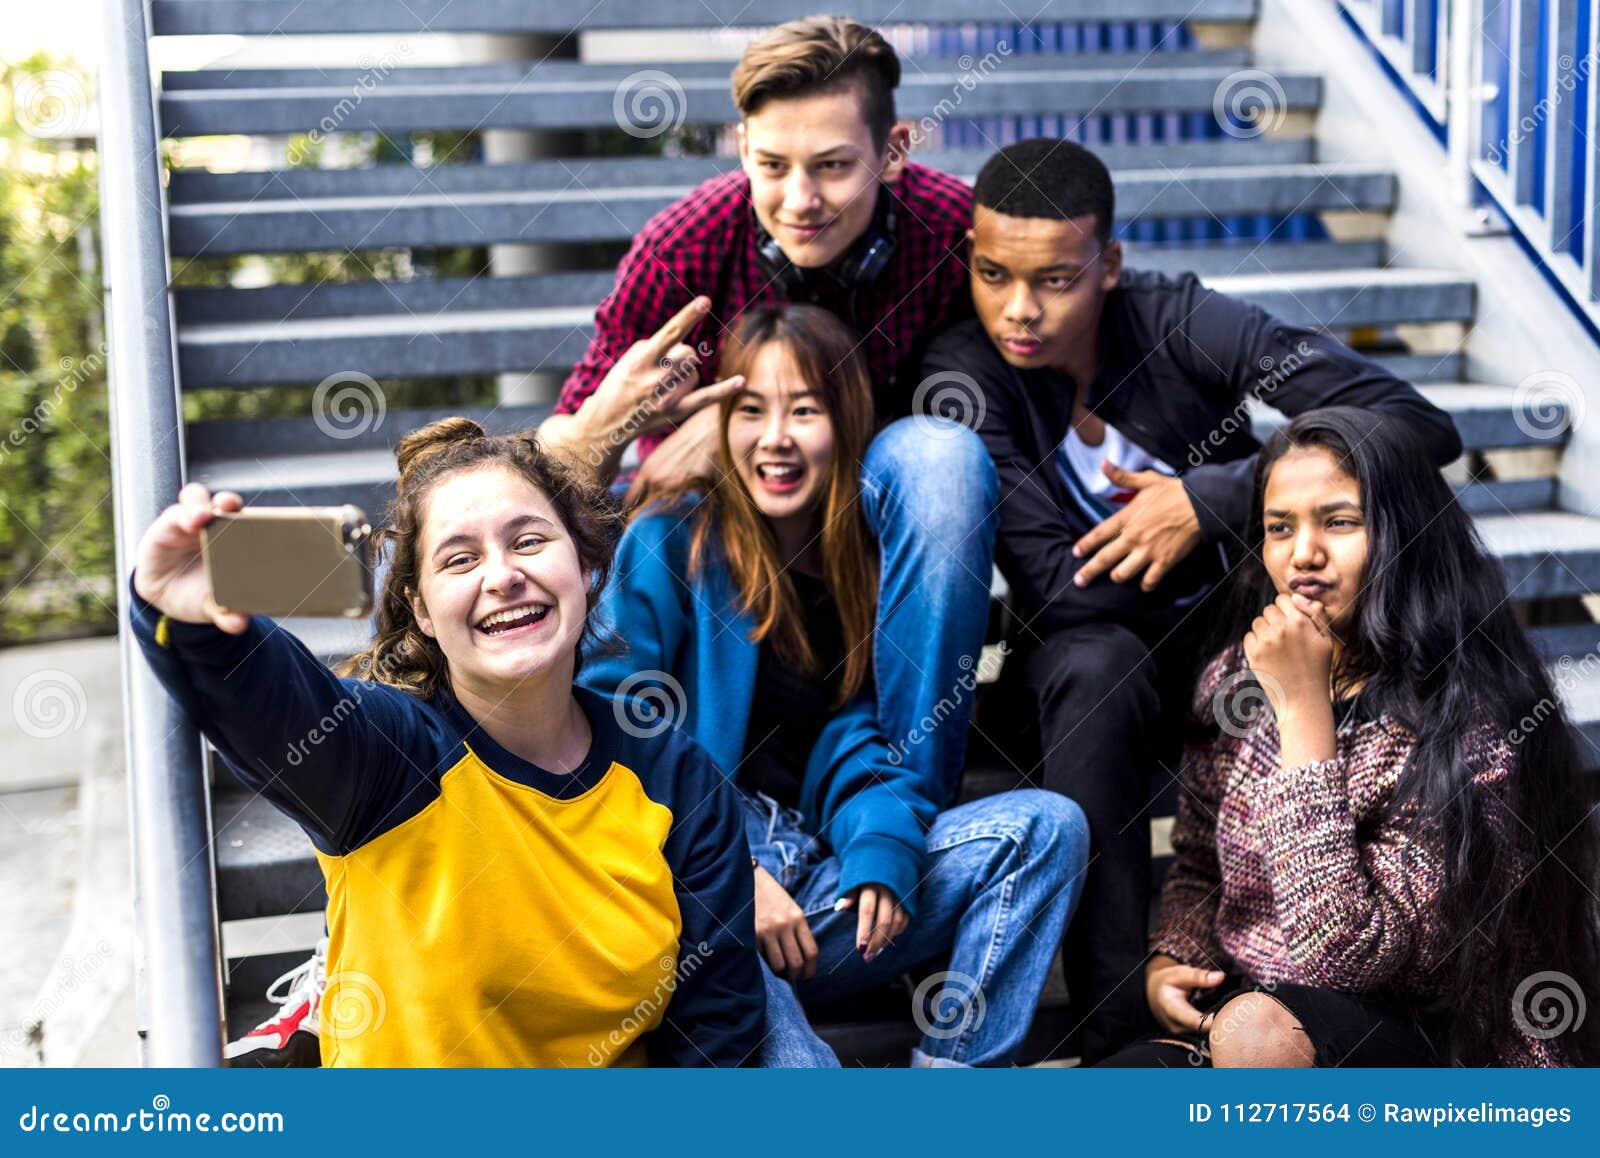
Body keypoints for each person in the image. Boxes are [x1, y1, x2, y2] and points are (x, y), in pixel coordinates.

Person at [921, 137, 1464, 1062]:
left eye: (1056, 279)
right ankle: (1116, 1034)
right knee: (1098, 664)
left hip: (1246, 649)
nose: (1020, 308)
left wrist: (1209, 500)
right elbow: (1061, 592)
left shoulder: (1182, 321)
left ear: (1110, 264)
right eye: (993, 273)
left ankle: (1365, 996)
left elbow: (1417, 426)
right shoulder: (964, 375)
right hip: (1076, 675)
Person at [129, 422, 764, 1067]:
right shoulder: (384, 756)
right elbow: (274, 704)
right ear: (423, 611)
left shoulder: (674, 771)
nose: (503, 575)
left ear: (586, 565)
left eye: (530, 541)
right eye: (460, 559)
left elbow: (717, 1030)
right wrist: (191, 622)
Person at [580, 304, 1088, 1067]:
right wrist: (732, 875)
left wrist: (881, 842)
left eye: (804, 410)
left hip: (815, 893)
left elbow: (857, 743)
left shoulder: (865, 575)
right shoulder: (668, 541)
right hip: (697, 912)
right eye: (751, 410)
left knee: (1047, 830)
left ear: (845, 425)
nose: (776, 437)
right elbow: (605, 738)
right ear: (721, 424)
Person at [542, 16, 995, 807]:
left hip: (873, 521)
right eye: (771, 165)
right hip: (730, 541)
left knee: (943, 462)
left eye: (833, 167)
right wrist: (617, 430)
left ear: (894, 152)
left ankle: (906, 801)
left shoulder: (955, 232)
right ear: (739, 143)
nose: (799, 200)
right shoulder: (683, 248)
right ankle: (672, 818)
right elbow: (557, 464)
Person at [1099, 407, 1600, 1067]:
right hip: (1248, 1025)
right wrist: (1174, 955)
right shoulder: (1236, 684)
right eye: (1280, 528)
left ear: (1403, 534)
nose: (1303, 554)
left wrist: (1303, 712)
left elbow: (1347, 959)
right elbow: (1198, 866)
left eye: (1339, 522)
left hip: (1437, 1043)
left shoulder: (1470, 720)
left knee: (1257, 1035)